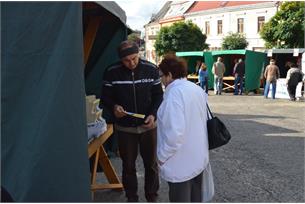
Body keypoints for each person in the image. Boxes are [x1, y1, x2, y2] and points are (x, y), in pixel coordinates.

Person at [100, 40, 163, 202]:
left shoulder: (151, 69)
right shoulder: (111, 71)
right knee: (128, 166)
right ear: (120, 60)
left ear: (138, 54)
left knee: (151, 165)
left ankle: (152, 197)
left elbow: (158, 96)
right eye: (126, 61)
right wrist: (114, 107)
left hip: (148, 126)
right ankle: (132, 198)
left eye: (134, 58)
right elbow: (106, 97)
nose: (131, 63)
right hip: (125, 128)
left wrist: (153, 114)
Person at [157, 54, 209, 202]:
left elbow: (174, 135)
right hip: (197, 157)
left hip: (180, 162)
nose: (161, 79)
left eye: (162, 75)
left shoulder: (173, 95)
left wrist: (160, 157)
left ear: (170, 75)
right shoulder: (195, 89)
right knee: (195, 198)